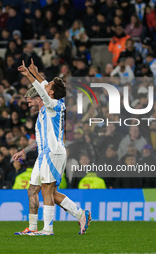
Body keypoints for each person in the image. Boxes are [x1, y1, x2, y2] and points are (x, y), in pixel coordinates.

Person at [13, 60, 91, 236]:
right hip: (44, 154)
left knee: (48, 191)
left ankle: (48, 229)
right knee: (35, 189)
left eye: (49, 86)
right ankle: (77, 215)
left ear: (52, 93)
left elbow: (42, 90)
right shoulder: (49, 106)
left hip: (53, 152)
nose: (45, 84)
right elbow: (44, 86)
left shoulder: (54, 105)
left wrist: (29, 76)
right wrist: (33, 73)